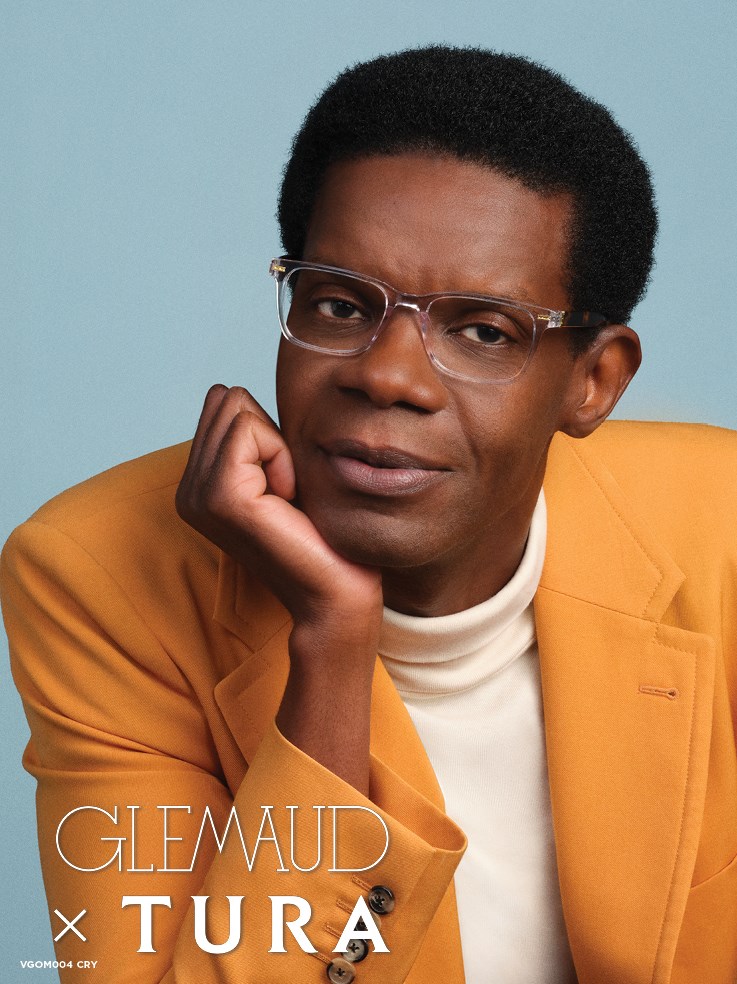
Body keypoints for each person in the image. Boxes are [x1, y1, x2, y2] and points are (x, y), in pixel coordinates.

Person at [1, 45, 735, 984]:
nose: (386, 376)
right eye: (341, 306)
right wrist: (333, 641)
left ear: (593, 380)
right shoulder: (98, 578)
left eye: (482, 331)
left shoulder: (721, 530)